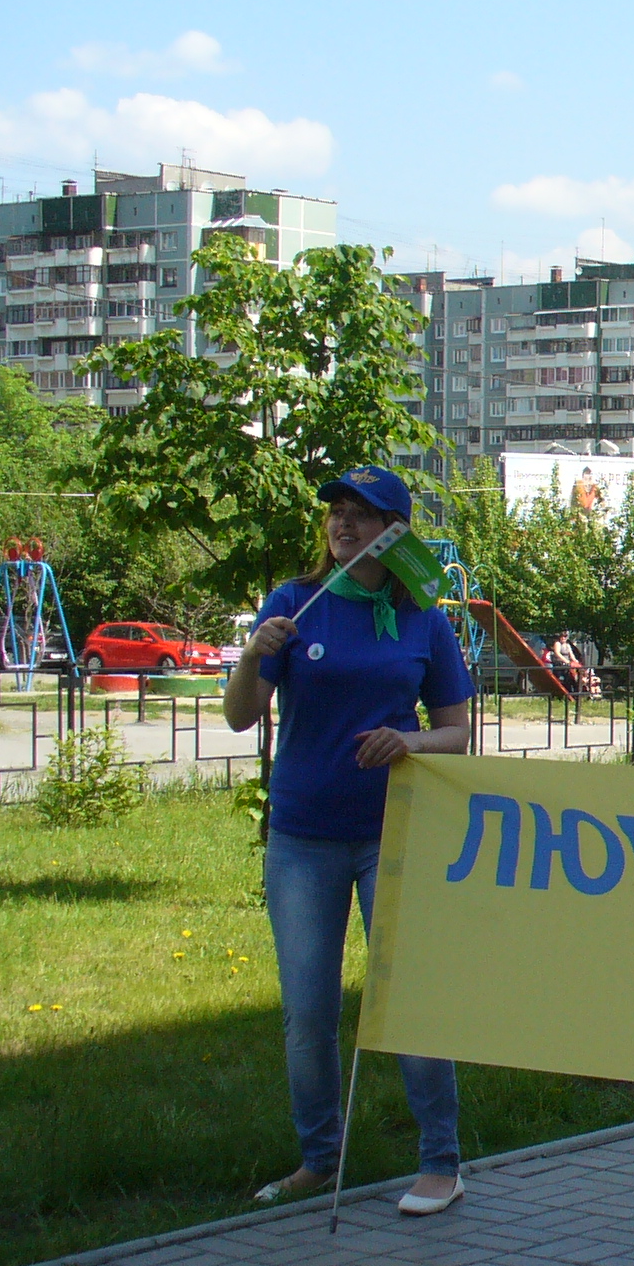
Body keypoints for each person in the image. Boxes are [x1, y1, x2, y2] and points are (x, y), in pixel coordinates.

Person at [222, 466, 476, 1217]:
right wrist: (251, 655)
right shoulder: (293, 604)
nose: (343, 524)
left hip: (395, 834)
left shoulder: (424, 619)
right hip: (303, 837)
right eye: (336, 511)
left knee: (409, 999)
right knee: (308, 1012)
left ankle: (441, 1162)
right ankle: (319, 1160)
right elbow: (240, 717)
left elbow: (458, 734)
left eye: (361, 514)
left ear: (394, 533)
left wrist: (407, 741)